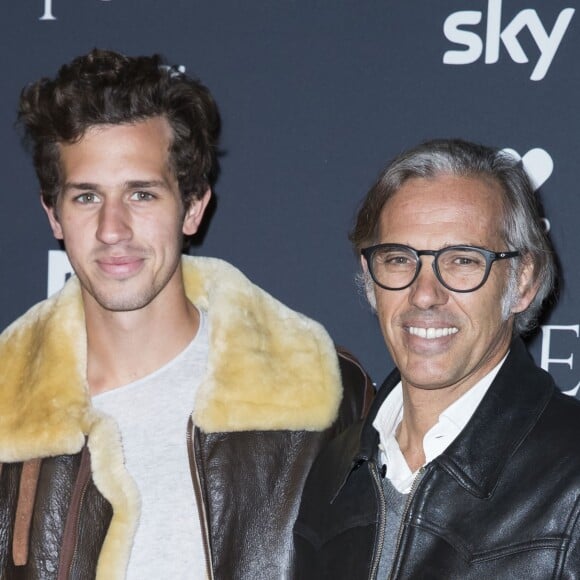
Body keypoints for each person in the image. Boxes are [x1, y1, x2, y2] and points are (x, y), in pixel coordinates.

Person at [0, 49, 372, 579]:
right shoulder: (6, 406)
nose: (112, 229)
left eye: (142, 194)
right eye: (86, 197)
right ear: (53, 214)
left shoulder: (324, 397)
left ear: (194, 206)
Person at [294, 138, 580, 578]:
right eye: (399, 259)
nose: (425, 294)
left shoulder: (571, 476)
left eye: (463, 261)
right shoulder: (333, 471)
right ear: (370, 278)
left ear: (522, 282)